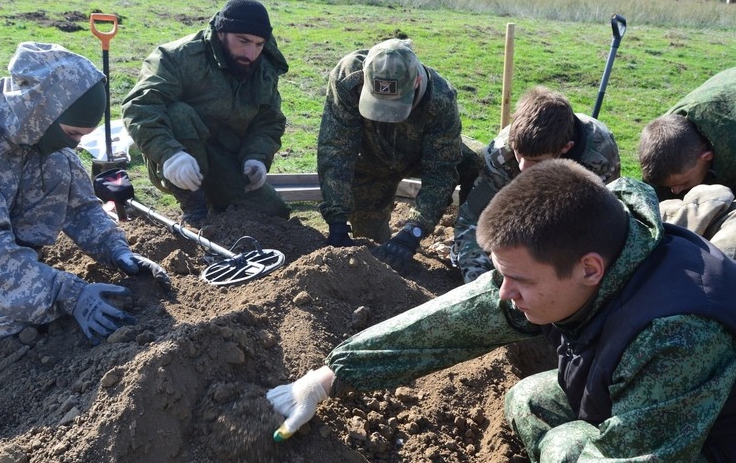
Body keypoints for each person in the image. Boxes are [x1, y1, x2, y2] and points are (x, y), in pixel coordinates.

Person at [268, 159, 736, 462]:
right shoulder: (602, 245)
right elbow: (462, 316)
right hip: (651, 398)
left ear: (589, 270)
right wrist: (330, 375)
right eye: (501, 275)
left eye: (520, 281)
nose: (503, 294)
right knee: (529, 400)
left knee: (564, 445)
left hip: (707, 437)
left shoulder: (678, 334)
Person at [0, 42, 171, 346]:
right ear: (41, 111)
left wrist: (116, 250)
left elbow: (81, 205)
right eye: (73, 134)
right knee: (13, 316)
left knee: (29, 292)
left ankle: (21, 275)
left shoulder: (33, 128)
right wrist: (68, 294)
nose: (74, 146)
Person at [122, 0, 290, 226]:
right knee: (177, 112)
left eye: (259, 44)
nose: (251, 53)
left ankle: (217, 207)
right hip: (178, 156)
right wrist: (170, 154)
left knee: (275, 212)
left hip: (226, 158)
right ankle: (194, 209)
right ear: (221, 33)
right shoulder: (179, 57)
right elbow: (140, 106)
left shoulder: (263, 68)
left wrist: (257, 157)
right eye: (243, 41)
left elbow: (268, 121)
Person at [317, 38, 475, 273]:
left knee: (478, 161)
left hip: (419, 155)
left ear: (417, 82)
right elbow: (336, 150)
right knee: (375, 251)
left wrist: (414, 231)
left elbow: (440, 171)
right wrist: (337, 220)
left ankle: (472, 249)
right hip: (372, 162)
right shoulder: (347, 79)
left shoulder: (440, 98)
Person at [450, 86, 620, 284]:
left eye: (537, 161)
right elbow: (470, 221)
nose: (523, 168)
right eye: (519, 155)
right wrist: (479, 281)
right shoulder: (501, 153)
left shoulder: (600, 155)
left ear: (565, 149)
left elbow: (605, 226)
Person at [637, 66, 736, 258]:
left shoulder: (730, 140)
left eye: (682, 183)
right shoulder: (666, 138)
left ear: (706, 156)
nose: (676, 190)